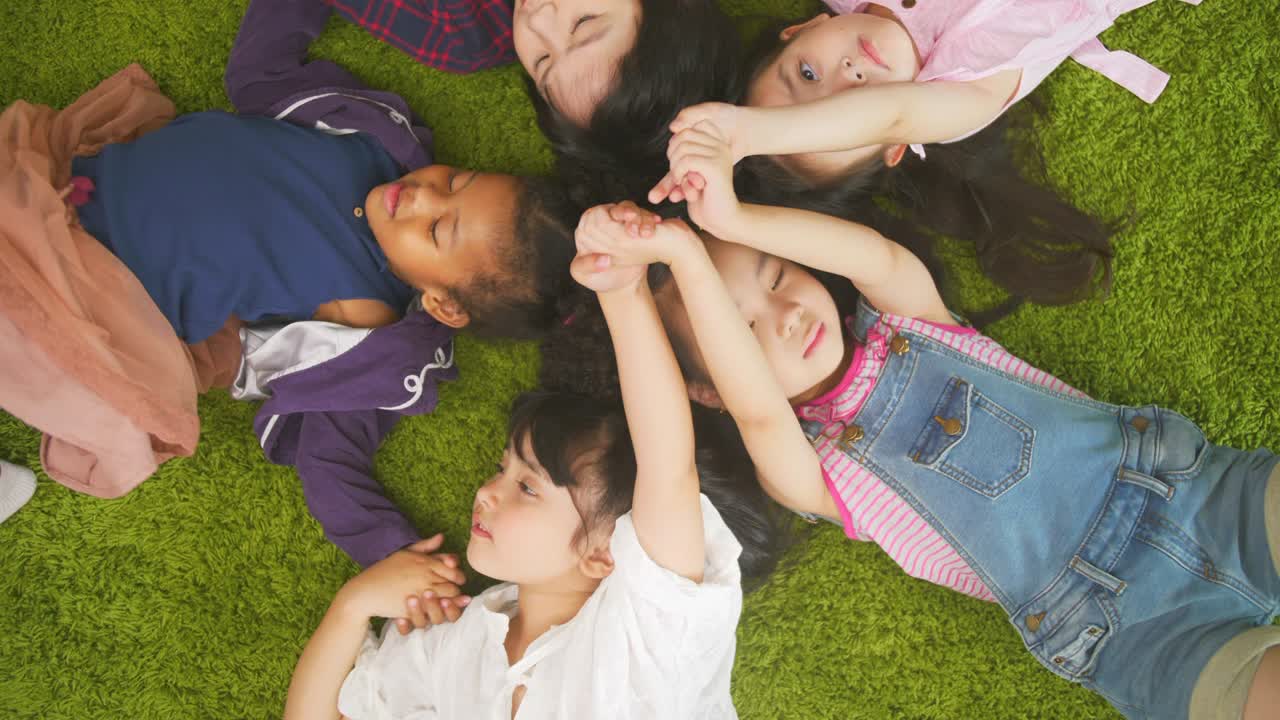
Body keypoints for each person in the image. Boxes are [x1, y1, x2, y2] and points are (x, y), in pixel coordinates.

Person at [574, 119, 1280, 719]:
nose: (788, 317)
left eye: (779, 276)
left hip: (1191, 492)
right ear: (712, 389)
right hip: (1126, 628)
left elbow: (875, 255)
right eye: (744, 328)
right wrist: (685, 261)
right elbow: (760, 415)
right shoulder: (816, 472)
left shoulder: (908, 318)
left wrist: (728, 219)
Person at [283, 205, 754, 719]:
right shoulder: (458, 645)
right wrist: (353, 606)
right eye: (505, 470)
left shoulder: (642, 639)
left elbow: (667, 468)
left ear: (606, 551)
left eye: (528, 487)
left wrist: (623, 294)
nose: (487, 490)